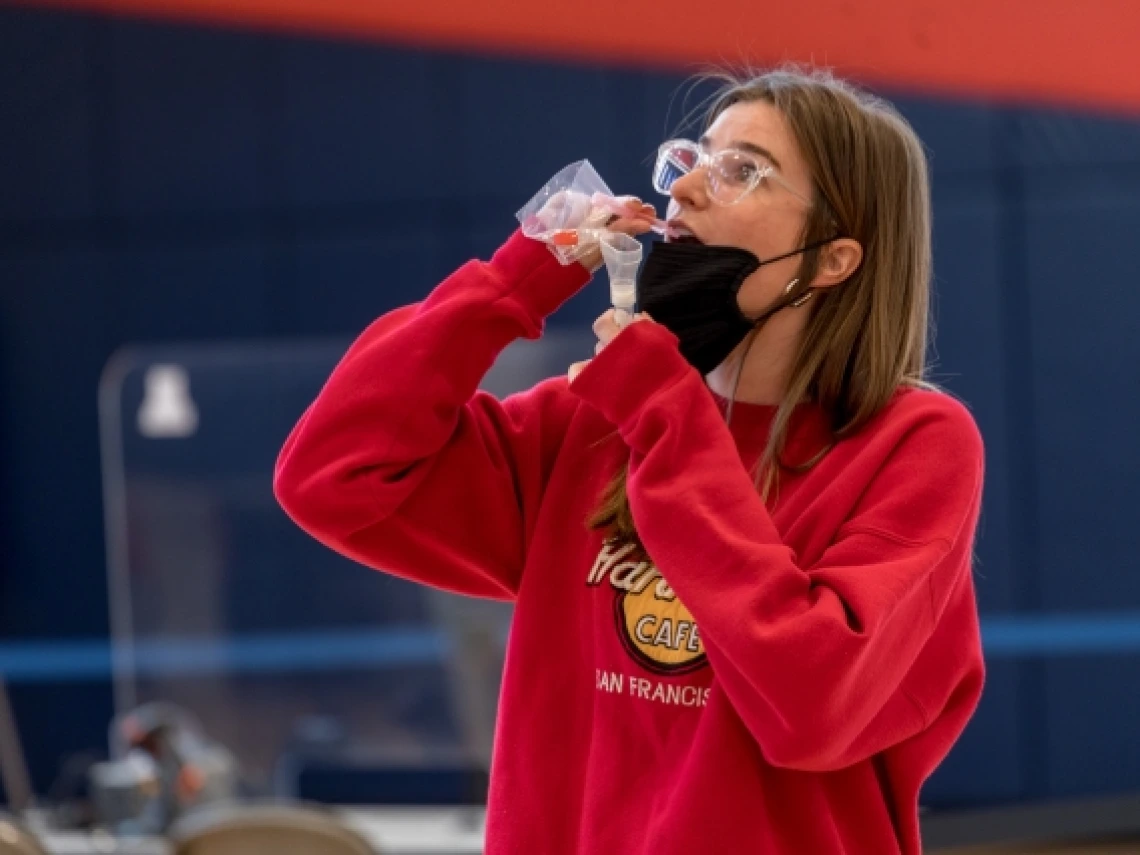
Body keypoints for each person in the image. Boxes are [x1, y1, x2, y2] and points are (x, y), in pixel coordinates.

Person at [274, 65, 986, 855]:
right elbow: (333, 474)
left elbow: (811, 705)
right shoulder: (588, 423)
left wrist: (663, 412)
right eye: (690, 159)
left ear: (833, 258)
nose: (683, 193)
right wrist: (519, 277)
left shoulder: (915, 443)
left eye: (741, 170)